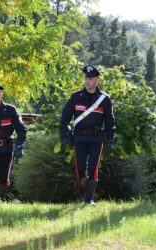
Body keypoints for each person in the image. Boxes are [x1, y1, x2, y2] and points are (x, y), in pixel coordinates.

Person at [60, 65, 115, 205]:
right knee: (80, 167)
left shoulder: (104, 99)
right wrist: (63, 135)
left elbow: (110, 121)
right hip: (79, 137)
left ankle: (89, 198)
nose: (88, 81)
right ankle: (81, 193)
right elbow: (65, 117)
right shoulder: (76, 97)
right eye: (86, 78)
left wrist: (110, 139)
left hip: (96, 138)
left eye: (91, 78)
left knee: (93, 166)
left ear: (97, 80)